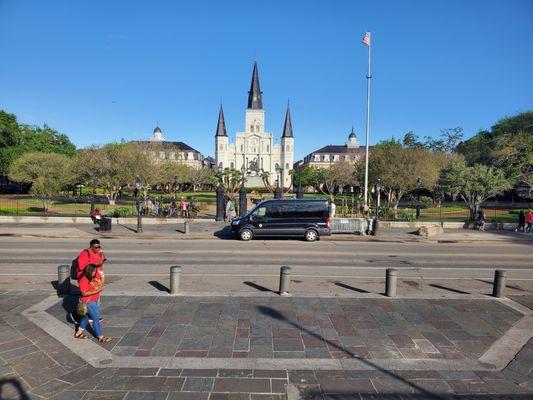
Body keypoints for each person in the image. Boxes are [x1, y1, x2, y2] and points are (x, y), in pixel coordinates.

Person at [69, 239, 107, 323]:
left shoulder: (98, 252)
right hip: (86, 278)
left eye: (99, 247)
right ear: (91, 247)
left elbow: (102, 261)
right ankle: (77, 314)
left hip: (95, 278)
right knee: (87, 297)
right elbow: (83, 266)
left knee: (95, 296)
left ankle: (93, 315)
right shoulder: (85, 253)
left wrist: (102, 253)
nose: (97, 249)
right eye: (96, 247)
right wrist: (96, 264)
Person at [75, 264, 111, 342]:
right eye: (95, 271)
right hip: (88, 302)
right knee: (95, 318)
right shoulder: (84, 280)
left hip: (93, 301)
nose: (96, 272)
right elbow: (84, 293)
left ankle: (78, 333)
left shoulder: (92, 278)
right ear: (90, 271)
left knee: (86, 317)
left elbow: (99, 285)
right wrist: (97, 290)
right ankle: (100, 337)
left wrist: (102, 276)